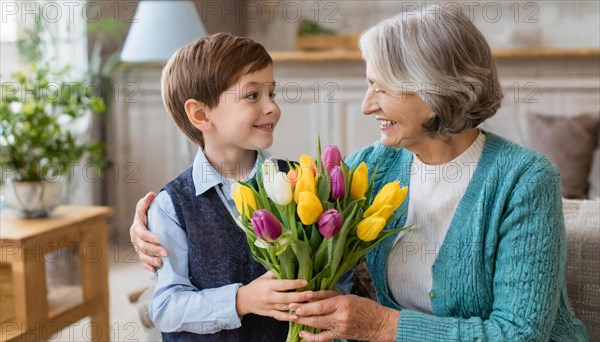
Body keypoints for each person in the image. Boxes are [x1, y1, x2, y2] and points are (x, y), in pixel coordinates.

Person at [130, 6, 589, 342]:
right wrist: (148, 221)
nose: (367, 105)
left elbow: (519, 334)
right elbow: (300, 207)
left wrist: (380, 324)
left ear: (431, 91)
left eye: (379, 87)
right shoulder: (373, 165)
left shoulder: (524, 180)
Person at [142, 33, 324, 341]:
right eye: (253, 96)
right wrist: (242, 300)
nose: (272, 108)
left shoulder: (298, 180)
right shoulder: (171, 205)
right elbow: (165, 307)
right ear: (201, 114)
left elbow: (332, 270)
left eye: (272, 94)